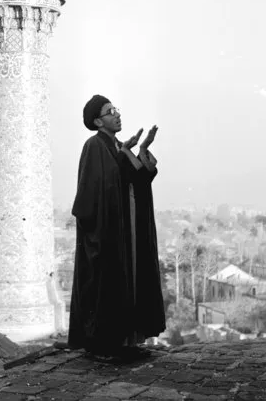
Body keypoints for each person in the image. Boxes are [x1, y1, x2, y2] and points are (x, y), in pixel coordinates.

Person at [68, 94, 165, 359]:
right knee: (106, 284)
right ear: (98, 120)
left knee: (129, 279)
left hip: (126, 228)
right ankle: (103, 343)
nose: (117, 114)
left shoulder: (118, 145)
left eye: (116, 110)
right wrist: (124, 154)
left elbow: (136, 180)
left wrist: (141, 150)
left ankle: (125, 340)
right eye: (110, 111)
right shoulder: (94, 146)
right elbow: (96, 187)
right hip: (106, 230)